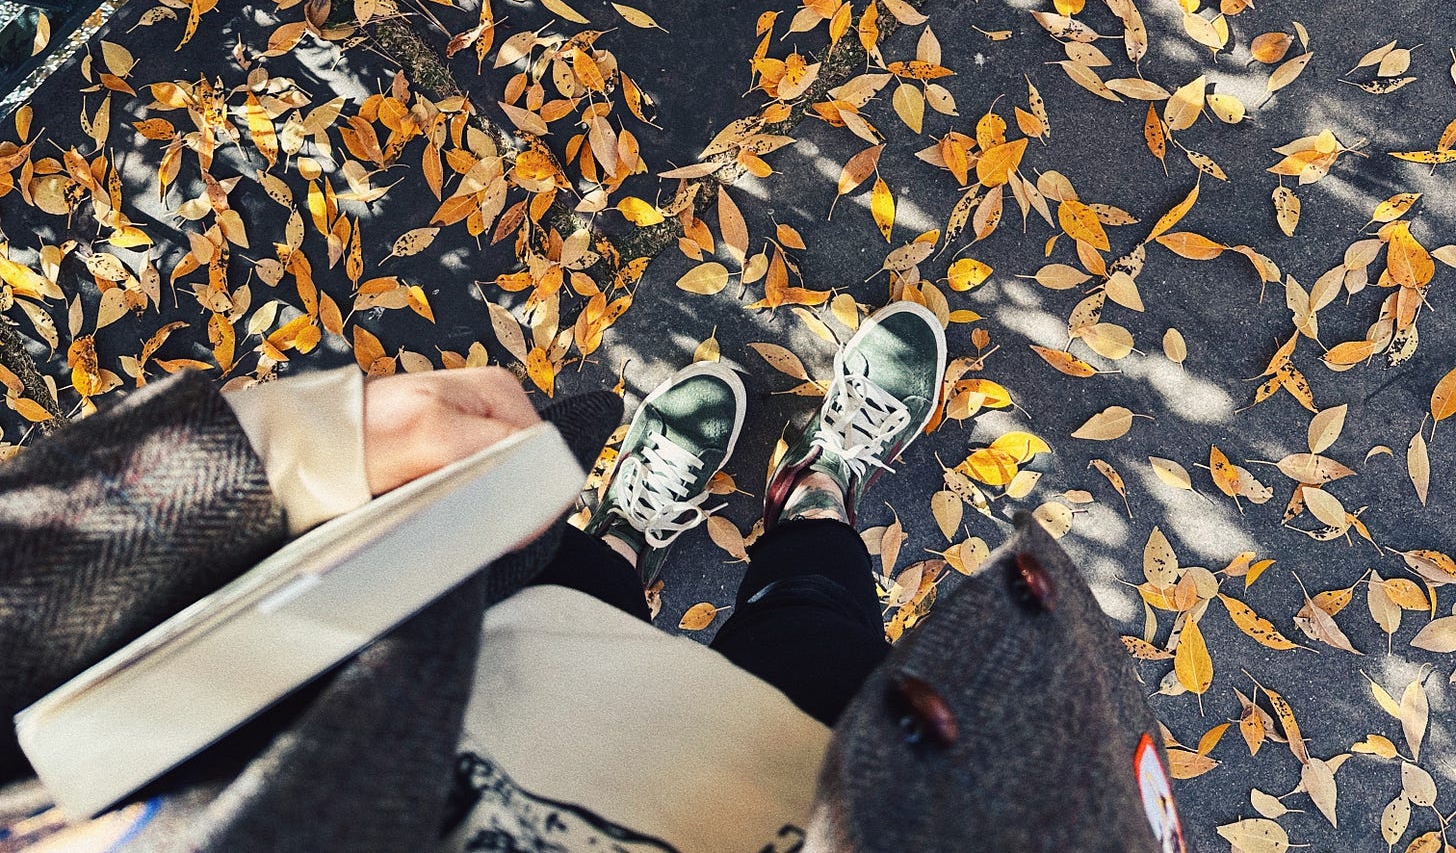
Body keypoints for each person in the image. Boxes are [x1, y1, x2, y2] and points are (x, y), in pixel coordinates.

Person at [0, 301, 1186, 853]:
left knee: (575, 594)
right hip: (825, 788)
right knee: (819, 622)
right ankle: (812, 496)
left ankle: (635, 535)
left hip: (462, 671)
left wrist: (285, 457)